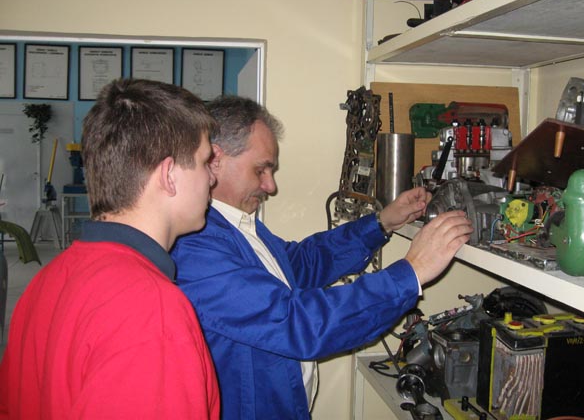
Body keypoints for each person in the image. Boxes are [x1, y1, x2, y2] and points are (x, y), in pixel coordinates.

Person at [171, 96, 473, 420]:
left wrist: (381, 223)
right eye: (261, 170)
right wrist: (411, 272)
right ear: (215, 160)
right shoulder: (196, 247)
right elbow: (298, 323)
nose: (270, 186)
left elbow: (301, 265)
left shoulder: (237, 225)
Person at [0, 78, 221, 419]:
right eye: (205, 161)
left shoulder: (47, 279)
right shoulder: (152, 310)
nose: (212, 179)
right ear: (168, 175)